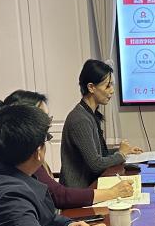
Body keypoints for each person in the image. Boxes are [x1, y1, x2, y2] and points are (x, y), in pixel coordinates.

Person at [0, 90, 133, 207]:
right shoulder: (25, 160)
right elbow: (60, 196)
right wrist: (112, 192)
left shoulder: (25, 154)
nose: (48, 125)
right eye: (43, 119)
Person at [61, 60, 143, 188]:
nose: (112, 91)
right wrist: (121, 154)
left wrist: (123, 151)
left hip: (91, 185)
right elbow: (96, 164)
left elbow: (98, 153)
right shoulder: (80, 119)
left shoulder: (89, 114)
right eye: (107, 86)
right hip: (80, 191)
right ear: (91, 87)